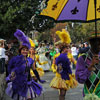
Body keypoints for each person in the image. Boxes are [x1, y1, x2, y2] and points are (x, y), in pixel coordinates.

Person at [6, 29, 43, 100]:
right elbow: (11, 69)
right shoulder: (16, 59)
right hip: (19, 83)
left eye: (26, 50)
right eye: (23, 50)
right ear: (20, 51)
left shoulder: (30, 60)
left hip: (28, 83)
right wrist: (11, 77)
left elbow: (34, 70)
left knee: (29, 98)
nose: (25, 51)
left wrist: (39, 79)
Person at [50, 29, 78, 100]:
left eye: (69, 47)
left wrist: (81, 65)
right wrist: (54, 69)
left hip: (67, 75)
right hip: (60, 76)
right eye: (67, 47)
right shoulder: (57, 56)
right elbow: (54, 64)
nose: (69, 49)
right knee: (62, 92)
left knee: (63, 93)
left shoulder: (69, 56)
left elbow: (75, 62)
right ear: (63, 48)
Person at [75, 32, 100, 99]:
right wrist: (90, 66)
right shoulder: (82, 59)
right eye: (98, 44)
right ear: (91, 44)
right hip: (89, 94)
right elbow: (80, 79)